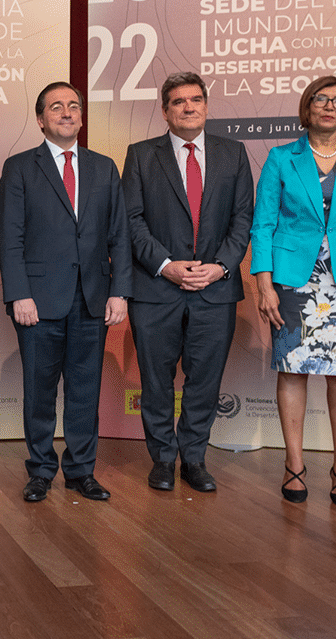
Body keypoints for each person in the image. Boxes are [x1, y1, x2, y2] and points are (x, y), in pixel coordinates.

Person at [250, 76, 336, 508]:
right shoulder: (281, 158)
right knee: (292, 369)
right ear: (306, 107)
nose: (330, 106)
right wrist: (264, 284)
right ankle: (294, 465)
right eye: (321, 99)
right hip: (293, 281)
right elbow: (263, 225)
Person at [0, 82, 131, 502]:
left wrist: (119, 291)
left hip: (92, 297)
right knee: (39, 392)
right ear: (41, 119)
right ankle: (40, 470)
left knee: (85, 391)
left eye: (73, 106)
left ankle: (80, 471)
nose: (67, 112)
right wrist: (19, 294)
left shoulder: (104, 167)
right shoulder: (20, 167)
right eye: (56, 107)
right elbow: (9, 238)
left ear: (82, 117)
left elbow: (120, 235)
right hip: (37, 300)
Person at [123, 72, 253, 494]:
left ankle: (194, 459)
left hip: (215, 289)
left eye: (195, 99)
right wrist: (165, 265)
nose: (188, 107)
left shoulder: (233, 154)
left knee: (205, 381)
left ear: (206, 106)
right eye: (178, 101)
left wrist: (220, 266)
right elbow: (131, 220)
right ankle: (163, 458)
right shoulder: (141, 155)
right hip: (156, 288)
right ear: (165, 111)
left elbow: (243, 219)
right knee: (155, 381)